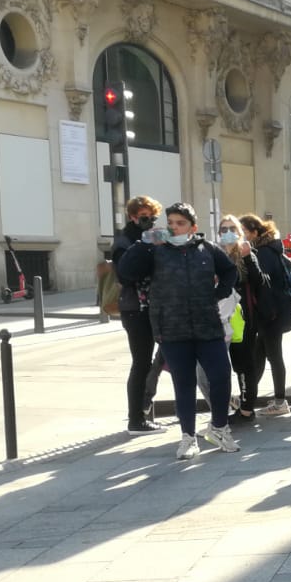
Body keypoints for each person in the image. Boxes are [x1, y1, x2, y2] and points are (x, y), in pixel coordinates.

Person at [116, 203, 239, 460]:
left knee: (221, 376)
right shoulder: (156, 251)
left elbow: (229, 271)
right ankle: (188, 438)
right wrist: (145, 242)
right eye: (171, 222)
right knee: (183, 384)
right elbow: (125, 272)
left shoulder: (207, 249)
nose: (173, 227)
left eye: (180, 223)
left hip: (207, 326)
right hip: (172, 328)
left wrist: (218, 294)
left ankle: (219, 428)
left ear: (193, 227)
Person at [108, 195, 165, 432]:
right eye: (144, 217)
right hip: (136, 309)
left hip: (153, 305)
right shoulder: (125, 241)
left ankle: (142, 412)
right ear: (132, 216)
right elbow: (126, 275)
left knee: (156, 360)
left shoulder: (150, 236)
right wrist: (147, 247)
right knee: (142, 362)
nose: (150, 220)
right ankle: (136, 418)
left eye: (153, 216)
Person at [240, 214, 291, 415]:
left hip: (271, 313)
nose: (241, 236)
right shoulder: (269, 249)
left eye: (244, 232)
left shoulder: (263, 253)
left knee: (273, 356)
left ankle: (280, 401)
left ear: (255, 232)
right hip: (273, 311)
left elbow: (263, 285)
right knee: (259, 355)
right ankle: (247, 399)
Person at [215, 214, 263, 421]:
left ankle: (246, 408)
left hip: (243, 317)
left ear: (239, 232)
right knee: (227, 365)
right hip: (220, 317)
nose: (228, 233)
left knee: (244, 363)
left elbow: (259, 281)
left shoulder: (246, 253)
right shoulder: (214, 254)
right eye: (223, 230)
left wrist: (247, 258)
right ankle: (236, 403)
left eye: (232, 229)